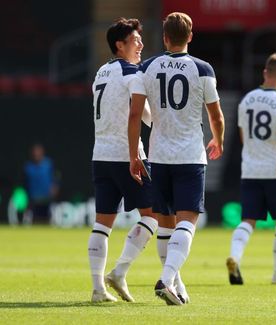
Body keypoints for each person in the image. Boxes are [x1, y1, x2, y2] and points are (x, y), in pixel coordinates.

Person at [128, 12, 225, 305]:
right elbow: (216, 115)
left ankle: (176, 286)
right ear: (190, 36)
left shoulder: (146, 67)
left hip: (158, 155)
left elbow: (135, 114)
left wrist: (134, 154)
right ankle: (167, 280)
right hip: (189, 156)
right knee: (187, 222)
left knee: (166, 225)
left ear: (165, 38)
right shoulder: (203, 69)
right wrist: (218, 139)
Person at [88, 17, 166, 303]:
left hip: (101, 155)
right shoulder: (134, 73)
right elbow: (140, 114)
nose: (141, 44)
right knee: (154, 214)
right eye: (135, 40)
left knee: (102, 224)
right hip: (127, 155)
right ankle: (119, 271)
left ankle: (98, 289)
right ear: (120, 45)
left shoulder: (101, 72)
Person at [226, 53, 276, 286]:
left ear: (265, 72)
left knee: (248, 220)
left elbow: (242, 135)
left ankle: (235, 257)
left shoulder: (246, 100)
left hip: (250, 169)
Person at [23, 143, 59, 224]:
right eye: (35, 152)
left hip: (47, 199)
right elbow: (25, 184)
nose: (36, 153)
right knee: (35, 221)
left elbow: (55, 179)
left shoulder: (49, 164)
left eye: (38, 151)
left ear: (42, 152)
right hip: (33, 200)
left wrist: (55, 188)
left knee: (47, 220)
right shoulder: (28, 167)